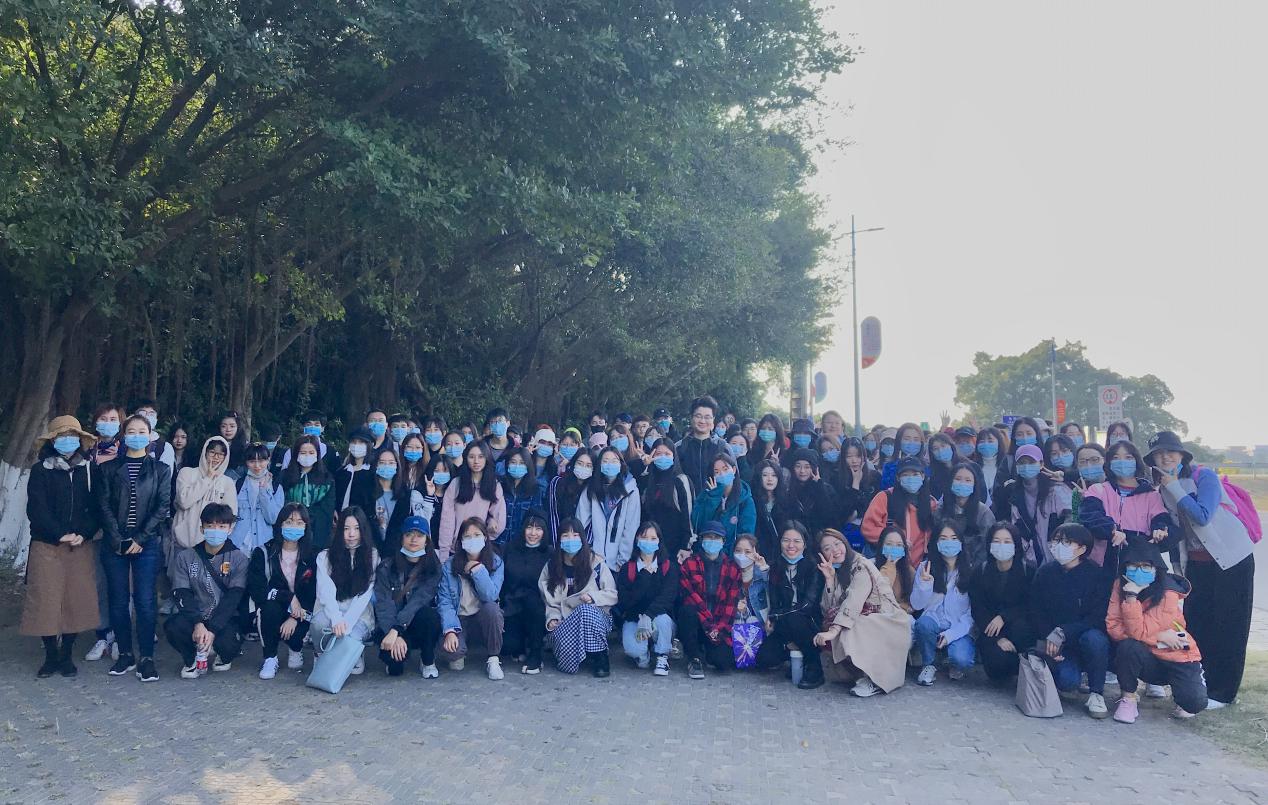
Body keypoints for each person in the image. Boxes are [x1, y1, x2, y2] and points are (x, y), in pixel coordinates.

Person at [1147, 430, 1254, 710]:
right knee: (1198, 623)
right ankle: (1201, 684)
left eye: (1171, 451)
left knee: (1229, 626)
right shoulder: (1162, 489)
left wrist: (1175, 487)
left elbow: (1203, 516)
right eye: (1159, 454)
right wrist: (1177, 568)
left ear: (1182, 455)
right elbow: (1177, 532)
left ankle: (1224, 693)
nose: (1166, 457)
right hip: (1197, 565)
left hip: (1232, 560)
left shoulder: (1203, 477)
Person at [22, 416, 100, 678]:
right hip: (47, 545)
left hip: (79, 545)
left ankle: (66, 655)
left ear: (80, 439)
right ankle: (50, 656)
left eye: (72, 436)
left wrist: (83, 533)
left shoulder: (89, 469)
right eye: (62, 436)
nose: (68, 440)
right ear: (52, 441)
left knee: (75, 601)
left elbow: (97, 507)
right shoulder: (40, 470)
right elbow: (36, 509)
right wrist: (60, 534)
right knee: (46, 601)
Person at [95, 414, 172, 681]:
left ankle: (147, 657)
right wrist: (118, 539)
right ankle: (125, 654)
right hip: (114, 542)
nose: (136, 436)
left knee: (145, 600)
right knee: (118, 600)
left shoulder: (161, 470)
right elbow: (103, 506)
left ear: (150, 436)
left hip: (146, 543)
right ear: (123, 435)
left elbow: (162, 506)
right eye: (131, 431)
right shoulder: (107, 468)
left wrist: (140, 538)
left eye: (142, 431)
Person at [1105, 541, 1208, 722]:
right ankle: (1128, 698)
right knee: (1128, 647)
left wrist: (1132, 602)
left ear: (1156, 568)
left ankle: (1186, 687)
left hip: (1175, 653)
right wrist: (1131, 597)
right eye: (1133, 565)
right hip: (1147, 655)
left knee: (1194, 703)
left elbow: (1140, 630)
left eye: (1146, 566)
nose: (1139, 570)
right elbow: (1113, 626)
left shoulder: (1169, 592)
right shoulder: (1120, 586)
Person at [812, 528, 912, 697]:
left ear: (845, 543)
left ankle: (874, 679)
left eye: (837, 544)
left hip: (888, 621)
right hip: (869, 619)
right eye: (827, 548)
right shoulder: (841, 569)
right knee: (840, 626)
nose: (835, 550)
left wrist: (834, 630)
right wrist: (829, 580)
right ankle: (861, 675)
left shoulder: (861, 565)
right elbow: (829, 609)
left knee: (849, 629)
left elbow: (854, 601)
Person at [1028, 523, 1112, 718]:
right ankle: (1072, 675)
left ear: (1082, 548)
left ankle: (1096, 693)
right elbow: (1036, 610)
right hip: (1056, 644)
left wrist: (1064, 632)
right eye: (1056, 541)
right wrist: (1048, 638)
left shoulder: (1096, 575)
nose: (1058, 546)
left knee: (1096, 639)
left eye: (1066, 542)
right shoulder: (1045, 573)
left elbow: (1096, 617)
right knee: (1067, 682)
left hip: (1083, 636)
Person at [166, 503, 250, 679]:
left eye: (221, 526)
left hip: (225, 618)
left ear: (230, 529)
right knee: (173, 626)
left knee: (229, 642)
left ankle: (221, 654)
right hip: (197, 615)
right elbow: (182, 592)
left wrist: (212, 629)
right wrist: (198, 623)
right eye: (210, 525)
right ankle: (190, 658)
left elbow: (234, 597)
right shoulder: (186, 557)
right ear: (202, 528)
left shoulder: (239, 559)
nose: (215, 530)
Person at [539, 518, 618, 676]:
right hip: (565, 620)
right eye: (565, 536)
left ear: (582, 538)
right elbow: (549, 602)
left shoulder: (596, 563)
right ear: (559, 539)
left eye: (575, 535)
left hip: (597, 618)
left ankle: (600, 657)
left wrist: (593, 597)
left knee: (585, 611)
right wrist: (552, 618)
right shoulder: (551, 566)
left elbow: (612, 594)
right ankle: (579, 654)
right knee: (567, 666)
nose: (571, 540)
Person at [247, 503, 318, 679]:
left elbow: (314, 592)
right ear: (280, 524)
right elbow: (257, 590)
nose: (294, 527)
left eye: (299, 523)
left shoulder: (312, 556)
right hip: (276, 606)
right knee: (268, 610)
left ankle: (295, 647)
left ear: (306, 527)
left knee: (299, 632)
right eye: (289, 522)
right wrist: (289, 597)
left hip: (303, 610)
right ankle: (270, 657)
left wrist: (294, 617)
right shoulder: (263, 553)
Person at [755, 521, 826, 689]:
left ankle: (814, 666)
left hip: (808, 623)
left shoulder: (814, 568)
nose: (791, 545)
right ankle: (795, 653)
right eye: (786, 540)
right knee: (765, 658)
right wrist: (772, 618)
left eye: (797, 541)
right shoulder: (775, 568)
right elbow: (774, 603)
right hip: (784, 623)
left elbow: (807, 606)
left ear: (805, 544)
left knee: (795, 618)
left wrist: (776, 616)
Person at [1078, 439, 1170, 569]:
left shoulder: (1151, 495)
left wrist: (1160, 530)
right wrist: (1111, 530)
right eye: (1116, 458)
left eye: (1128, 457)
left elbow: (1161, 519)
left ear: (1137, 461)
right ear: (1109, 463)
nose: (1122, 462)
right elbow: (1090, 515)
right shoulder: (1097, 490)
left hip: (1138, 562)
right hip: (1102, 562)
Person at [313, 507, 381, 678]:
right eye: (346, 528)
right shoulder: (324, 556)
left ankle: (355, 651)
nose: (351, 534)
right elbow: (326, 591)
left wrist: (346, 624)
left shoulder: (372, 555)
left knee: (350, 638)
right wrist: (336, 619)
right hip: (330, 611)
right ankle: (320, 653)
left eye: (356, 528)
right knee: (319, 624)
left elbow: (365, 594)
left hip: (358, 615)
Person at [373, 516, 444, 678]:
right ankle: (397, 654)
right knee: (395, 670)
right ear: (402, 538)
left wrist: (397, 629)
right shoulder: (386, 567)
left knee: (430, 616)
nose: (414, 539)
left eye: (420, 535)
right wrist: (393, 632)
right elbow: (384, 604)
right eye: (409, 534)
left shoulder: (433, 568)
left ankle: (427, 659)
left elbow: (418, 601)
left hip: (415, 623)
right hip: (391, 623)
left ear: (427, 540)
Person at [437, 519, 506, 680]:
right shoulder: (449, 566)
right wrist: (450, 630)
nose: (472, 540)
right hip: (459, 619)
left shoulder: (496, 562)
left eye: (477, 535)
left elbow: (491, 595)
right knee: (453, 656)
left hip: (482, 617)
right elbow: (445, 601)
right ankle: (460, 648)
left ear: (485, 537)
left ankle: (493, 658)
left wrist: (477, 570)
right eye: (467, 536)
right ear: (461, 541)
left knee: (492, 609)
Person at [910, 518, 975, 686]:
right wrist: (924, 585)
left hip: (958, 627)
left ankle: (950, 661)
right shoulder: (926, 567)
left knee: (962, 659)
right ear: (936, 542)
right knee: (923, 624)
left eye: (953, 538)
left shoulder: (970, 571)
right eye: (943, 538)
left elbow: (971, 615)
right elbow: (916, 605)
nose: (949, 543)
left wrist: (951, 635)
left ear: (961, 543)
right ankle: (929, 664)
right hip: (933, 622)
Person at [677, 521, 743, 679]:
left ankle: (707, 651)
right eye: (708, 537)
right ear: (701, 540)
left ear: (723, 541)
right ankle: (694, 657)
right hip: (697, 622)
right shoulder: (689, 564)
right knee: (687, 610)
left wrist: (718, 629)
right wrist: (709, 626)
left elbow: (731, 605)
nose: (712, 541)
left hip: (718, 626)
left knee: (723, 662)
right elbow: (691, 597)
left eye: (716, 538)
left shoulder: (732, 568)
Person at [970, 523, 1033, 682]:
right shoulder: (981, 571)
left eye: (1007, 541)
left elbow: (1030, 605)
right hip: (991, 631)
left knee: (1022, 628)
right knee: (996, 666)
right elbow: (978, 608)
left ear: (1016, 545)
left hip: (1018, 629)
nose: (1001, 545)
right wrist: (998, 639)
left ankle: (1024, 666)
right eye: (996, 541)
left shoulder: (1028, 571)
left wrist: (1004, 617)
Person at [616, 522, 679, 675]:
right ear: (637, 539)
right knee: (633, 649)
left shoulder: (668, 567)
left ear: (659, 541)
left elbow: (667, 598)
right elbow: (625, 601)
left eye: (653, 538)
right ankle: (643, 657)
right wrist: (644, 577)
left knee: (663, 621)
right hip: (634, 618)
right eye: (644, 537)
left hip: (658, 617)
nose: (648, 542)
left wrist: (648, 616)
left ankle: (662, 655)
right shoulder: (627, 569)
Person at [994, 444, 1072, 567]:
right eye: (1022, 463)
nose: (1026, 466)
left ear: (1041, 464)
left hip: (1059, 556)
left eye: (1031, 462)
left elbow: (1071, 517)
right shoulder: (1014, 495)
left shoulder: (1056, 489)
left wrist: (1062, 544)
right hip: (1030, 560)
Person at [171, 436, 237, 563]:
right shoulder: (186, 473)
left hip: (212, 547)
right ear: (205, 452)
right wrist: (207, 478)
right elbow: (184, 502)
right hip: (183, 543)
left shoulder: (227, 482)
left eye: (221, 454)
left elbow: (231, 515)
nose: (216, 457)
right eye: (212, 452)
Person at [437, 441, 506, 561]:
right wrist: (444, 552)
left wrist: (488, 528)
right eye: (471, 457)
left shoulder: (494, 485)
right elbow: (446, 521)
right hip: (457, 547)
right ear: (466, 458)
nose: (476, 461)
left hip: (481, 548)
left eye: (481, 456)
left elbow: (499, 521)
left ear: (487, 458)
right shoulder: (456, 484)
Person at [501, 511, 552, 674]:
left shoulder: (550, 553)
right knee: (508, 646)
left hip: (538, 607)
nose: (533, 533)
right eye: (529, 527)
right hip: (512, 604)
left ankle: (536, 654)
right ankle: (520, 645)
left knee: (533, 603)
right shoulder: (509, 549)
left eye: (538, 529)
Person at [862, 457, 937, 566]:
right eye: (905, 475)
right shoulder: (885, 497)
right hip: (887, 562)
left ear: (923, 476)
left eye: (915, 474)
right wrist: (896, 541)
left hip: (918, 566)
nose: (911, 479)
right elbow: (868, 528)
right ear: (898, 478)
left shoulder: (931, 503)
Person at [577, 446, 642, 570]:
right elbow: (580, 521)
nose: (609, 465)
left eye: (614, 461)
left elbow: (631, 527)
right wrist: (587, 552)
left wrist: (623, 559)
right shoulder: (591, 488)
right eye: (605, 461)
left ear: (621, 464)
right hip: (593, 559)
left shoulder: (630, 490)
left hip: (619, 562)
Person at [640, 439, 695, 562]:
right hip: (650, 547)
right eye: (658, 454)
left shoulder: (681, 480)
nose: (662, 457)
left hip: (676, 549)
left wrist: (686, 546)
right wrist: (645, 466)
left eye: (667, 454)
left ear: (674, 456)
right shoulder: (648, 480)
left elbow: (688, 515)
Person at [691, 453, 756, 556]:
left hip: (733, 555)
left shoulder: (745, 499)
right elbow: (698, 524)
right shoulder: (706, 495)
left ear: (734, 470)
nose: (722, 474)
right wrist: (713, 498)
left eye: (725, 469)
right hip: (707, 553)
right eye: (716, 472)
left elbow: (747, 533)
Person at [281, 435, 336, 551]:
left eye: (311, 452)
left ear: (317, 455)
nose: (307, 456)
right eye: (303, 453)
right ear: (296, 454)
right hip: (290, 530)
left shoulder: (326, 479)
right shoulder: (285, 476)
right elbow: (281, 502)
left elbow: (327, 509)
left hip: (317, 535)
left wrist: (306, 517)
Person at [231, 443, 285, 560]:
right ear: (246, 462)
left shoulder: (276, 488)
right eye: (252, 461)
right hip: (238, 543)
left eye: (261, 461)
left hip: (264, 544)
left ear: (268, 460)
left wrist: (264, 491)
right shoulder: (237, 484)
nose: (257, 466)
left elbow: (273, 518)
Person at [371, 449, 430, 551]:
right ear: (376, 465)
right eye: (382, 462)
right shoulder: (366, 493)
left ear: (397, 466)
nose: (386, 466)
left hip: (396, 551)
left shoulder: (405, 495)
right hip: (371, 549)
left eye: (391, 463)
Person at [941, 461, 995, 567]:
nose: (962, 483)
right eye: (958, 479)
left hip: (976, 569)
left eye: (968, 480)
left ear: (974, 485)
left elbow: (987, 546)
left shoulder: (984, 513)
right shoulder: (940, 511)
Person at [730, 534, 770, 669]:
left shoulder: (763, 572)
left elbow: (773, 593)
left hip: (762, 623)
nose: (742, 555)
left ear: (756, 553)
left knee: (752, 621)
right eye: (738, 551)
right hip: (735, 623)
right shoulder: (728, 572)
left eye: (747, 552)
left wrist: (764, 569)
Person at [676, 395, 729, 496]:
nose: (702, 421)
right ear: (691, 418)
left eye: (707, 417)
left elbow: (734, 481)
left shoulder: (723, 447)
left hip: (716, 502)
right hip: (687, 503)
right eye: (698, 416)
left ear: (713, 419)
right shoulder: (679, 447)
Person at [784, 449, 837, 535]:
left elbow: (829, 516)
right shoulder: (787, 489)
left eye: (807, 467)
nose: (802, 471)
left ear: (814, 468)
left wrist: (819, 486)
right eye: (798, 466)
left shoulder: (826, 489)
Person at [498, 446, 545, 546]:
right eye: (513, 462)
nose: (517, 466)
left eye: (522, 463)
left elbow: (535, 519)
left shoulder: (535, 490)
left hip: (520, 545)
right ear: (507, 464)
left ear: (528, 465)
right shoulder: (499, 486)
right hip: (497, 542)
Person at [751, 458, 792, 561]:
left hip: (782, 553)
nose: (770, 479)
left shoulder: (787, 500)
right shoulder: (752, 501)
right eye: (765, 475)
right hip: (759, 552)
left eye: (774, 475)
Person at [335, 427, 378, 515]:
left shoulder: (373, 472)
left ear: (371, 445)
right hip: (341, 518)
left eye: (361, 442)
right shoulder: (342, 472)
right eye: (354, 442)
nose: (356, 445)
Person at [874, 524, 914, 613]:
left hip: (901, 616)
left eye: (899, 545)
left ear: (904, 548)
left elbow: (912, 605)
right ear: (881, 546)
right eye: (889, 544)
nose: (894, 548)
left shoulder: (910, 571)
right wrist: (888, 568)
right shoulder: (870, 566)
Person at [215, 411, 249, 479]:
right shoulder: (212, 445)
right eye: (224, 426)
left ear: (238, 427)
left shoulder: (247, 447)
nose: (228, 430)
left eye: (232, 426)